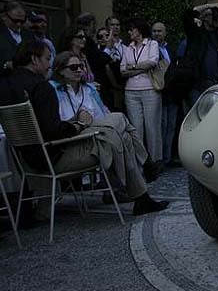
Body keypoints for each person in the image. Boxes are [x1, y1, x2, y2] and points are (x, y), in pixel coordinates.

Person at [0, 41, 167, 215]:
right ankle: (145, 170)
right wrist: (79, 125)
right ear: (35, 59)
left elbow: (42, 126)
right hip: (54, 157)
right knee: (118, 126)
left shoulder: (6, 85)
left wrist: (74, 122)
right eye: (47, 58)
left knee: (118, 127)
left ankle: (143, 196)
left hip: (25, 160)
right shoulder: (43, 88)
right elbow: (53, 132)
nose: (49, 64)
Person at [120, 17, 163, 165]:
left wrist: (132, 68)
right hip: (131, 92)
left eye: (132, 29)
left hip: (150, 89)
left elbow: (152, 62)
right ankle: (141, 161)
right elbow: (122, 70)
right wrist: (139, 68)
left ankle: (155, 160)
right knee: (136, 129)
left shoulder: (152, 44)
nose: (129, 32)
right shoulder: (128, 48)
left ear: (139, 30)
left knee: (152, 127)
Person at [151, 22, 177, 167]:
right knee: (161, 125)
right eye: (154, 31)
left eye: (159, 31)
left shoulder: (170, 48)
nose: (157, 33)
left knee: (171, 126)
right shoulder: (149, 49)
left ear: (165, 32)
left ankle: (168, 157)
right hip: (158, 90)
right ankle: (160, 158)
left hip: (171, 91)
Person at [1, 1, 34, 76]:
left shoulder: (29, 35)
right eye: (15, 21)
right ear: (4, 17)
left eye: (22, 21)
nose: (18, 24)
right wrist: (6, 65)